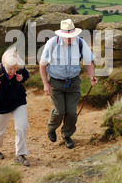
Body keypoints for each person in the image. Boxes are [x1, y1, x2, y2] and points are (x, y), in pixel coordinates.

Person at [39, 19, 98, 149]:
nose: (70, 39)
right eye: (67, 37)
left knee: (71, 112)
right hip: (56, 82)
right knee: (59, 111)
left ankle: (66, 135)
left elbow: (88, 62)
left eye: (72, 36)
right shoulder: (51, 44)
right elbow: (42, 65)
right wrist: (45, 84)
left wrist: (92, 77)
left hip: (73, 81)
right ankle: (51, 128)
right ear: (60, 35)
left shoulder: (81, 43)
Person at [0, 47, 30, 166]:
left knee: (22, 126)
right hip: (1, 104)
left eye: (15, 69)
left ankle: (20, 154)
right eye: (10, 69)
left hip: (18, 101)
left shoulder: (20, 68)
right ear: (4, 64)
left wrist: (22, 78)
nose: (13, 71)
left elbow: (26, 76)